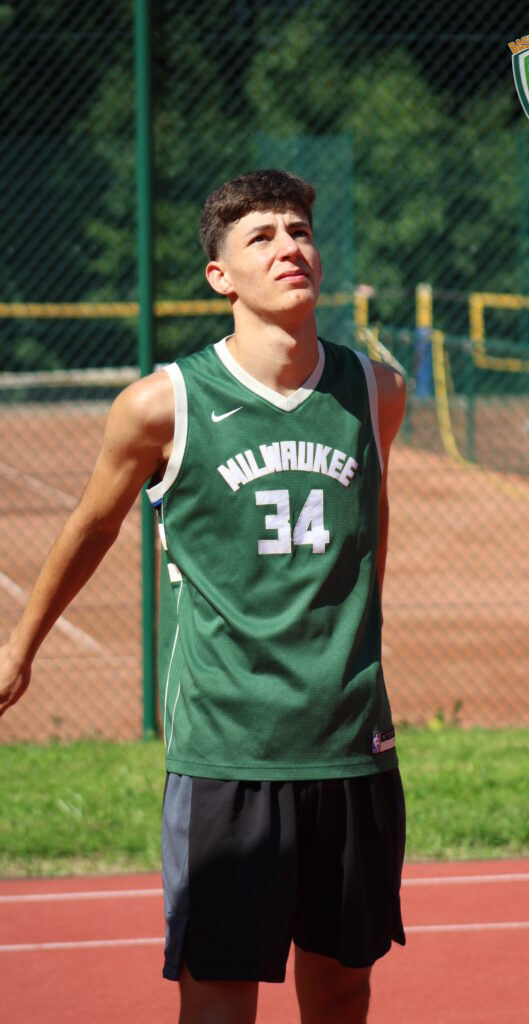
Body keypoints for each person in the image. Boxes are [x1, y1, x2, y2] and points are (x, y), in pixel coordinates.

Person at [0, 168, 407, 1024]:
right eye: (261, 236)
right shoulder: (164, 404)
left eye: (299, 231)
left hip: (350, 746)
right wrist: (18, 648)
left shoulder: (375, 392)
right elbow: (92, 526)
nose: (289, 247)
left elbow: (368, 528)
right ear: (220, 276)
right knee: (218, 1002)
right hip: (228, 752)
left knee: (344, 990)